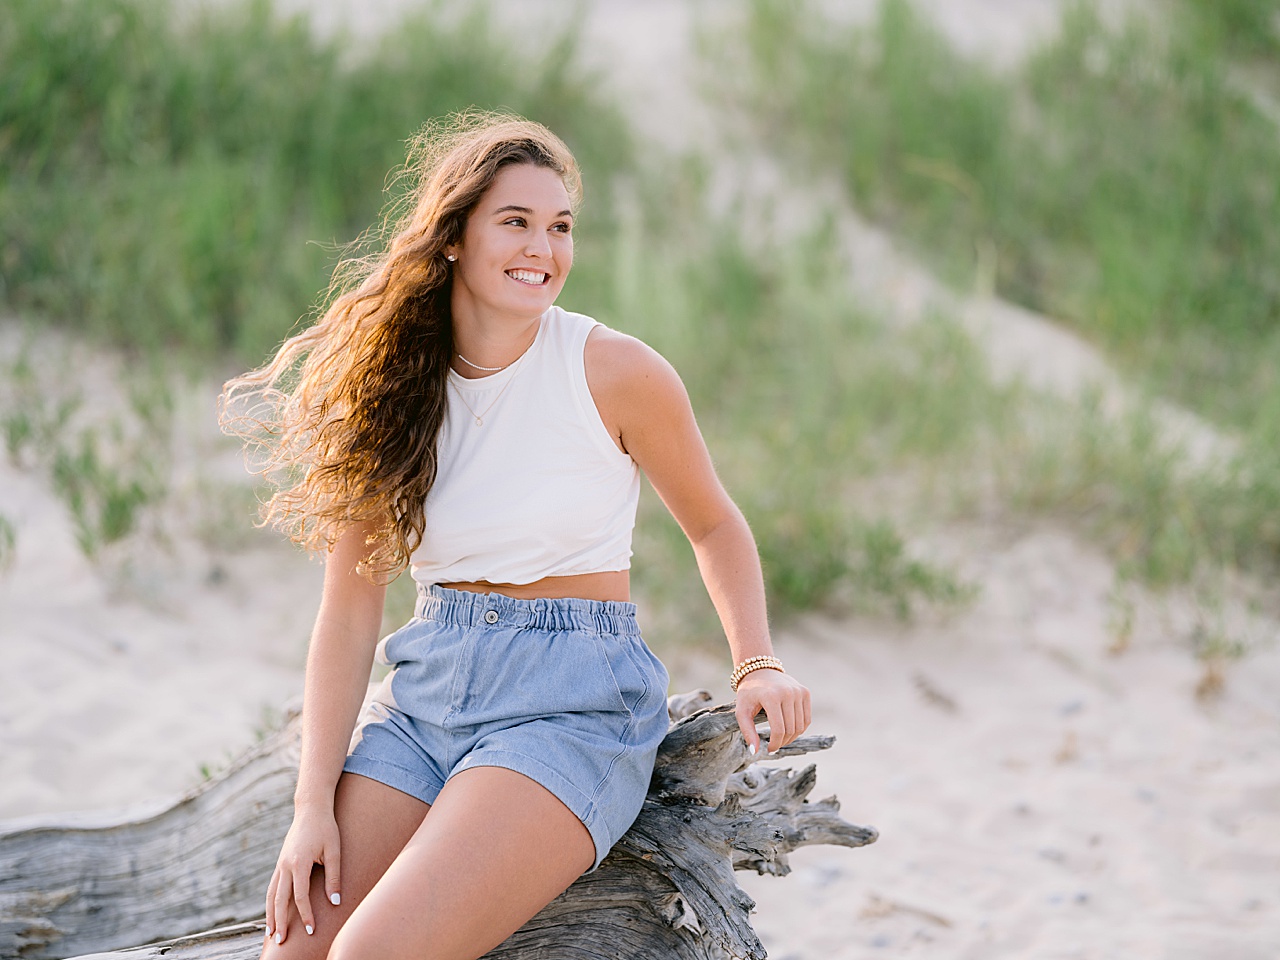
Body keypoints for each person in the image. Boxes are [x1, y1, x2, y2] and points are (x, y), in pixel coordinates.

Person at [221, 111, 811, 960]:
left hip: (572, 704)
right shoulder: (392, 393)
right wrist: (312, 803)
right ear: (454, 236)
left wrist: (758, 659)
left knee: (370, 955)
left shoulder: (615, 372)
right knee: (297, 951)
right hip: (427, 694)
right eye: (516, 221)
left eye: (560, 226)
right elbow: (350, 612)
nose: (544, 246)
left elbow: (714, 523)